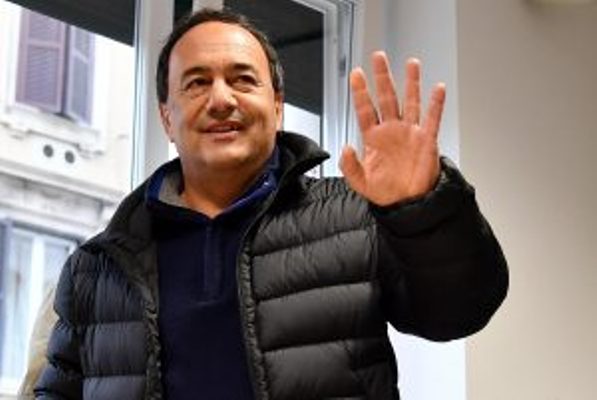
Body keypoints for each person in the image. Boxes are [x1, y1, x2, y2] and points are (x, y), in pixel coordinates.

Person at [33, 7, 508, 400]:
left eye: (242, 79)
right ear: (165, 117)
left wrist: (421, 209)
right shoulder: (96, 269)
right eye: (196, 83)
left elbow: (459, 311)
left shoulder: (355, 215)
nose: (221, 99)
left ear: (277, 106)